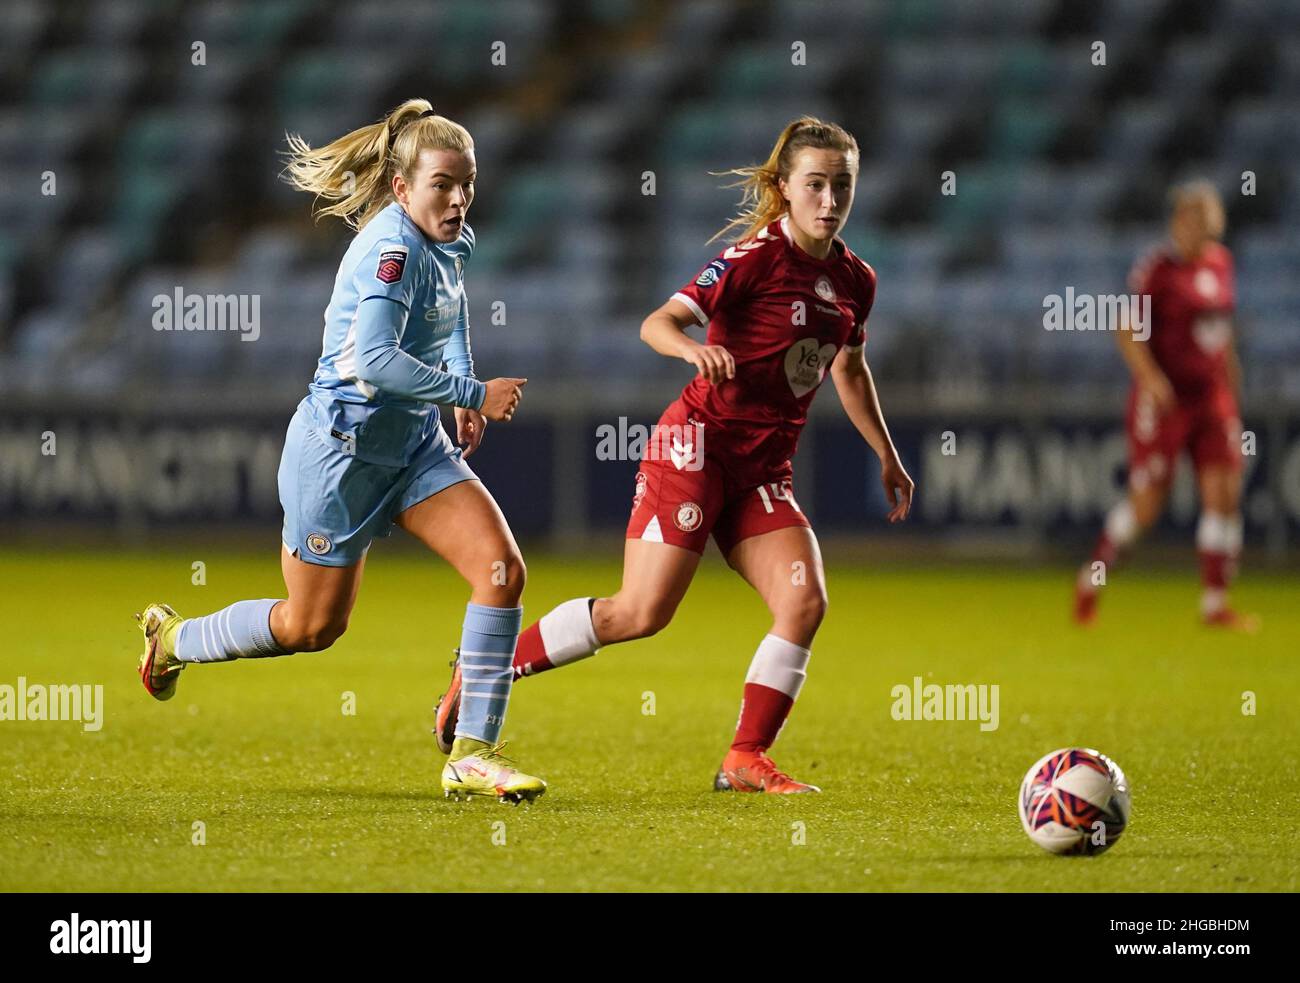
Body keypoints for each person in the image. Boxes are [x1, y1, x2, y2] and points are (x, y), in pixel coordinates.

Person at [436, 116, 915, 793]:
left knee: (805, 603)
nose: (830, 201)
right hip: (694, 446)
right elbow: (656, 322)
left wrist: (888, 456)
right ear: (784, 188)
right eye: (815, 185)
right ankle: (483, 668)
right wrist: (693, 348)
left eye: (843, 186)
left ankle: (744, 757)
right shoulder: (753, 259)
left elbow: (850, 370)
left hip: (761, 470)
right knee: (641, 613)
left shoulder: (856, 280)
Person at [135, 99, 547, 803]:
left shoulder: (450, 238)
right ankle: (174, 639)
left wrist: (453, 388)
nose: (458, 199)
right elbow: (379, 361)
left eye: (467, 182)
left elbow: (450, 308)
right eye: (442, 184)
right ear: (401, 189)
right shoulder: (391, 252)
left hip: (414, 445)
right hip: (341, 458)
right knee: (310, 627)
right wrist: (473, 391)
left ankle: (472, 754)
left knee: (502, 570)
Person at [1074, 180, 1256, 631]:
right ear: (1177, 222)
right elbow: (1125, 327)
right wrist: (1151, 378)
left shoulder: (1222, 264)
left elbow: (1223, 333)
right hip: (1167, 401)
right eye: (1190, 218)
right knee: (1148, 504)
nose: (1198, 227)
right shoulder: (1157, 270)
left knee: (1224, 494)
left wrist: (1232, 384)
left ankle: (1215, 604)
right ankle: (1092, 578)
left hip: (1211, 397)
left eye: (1205, 219)